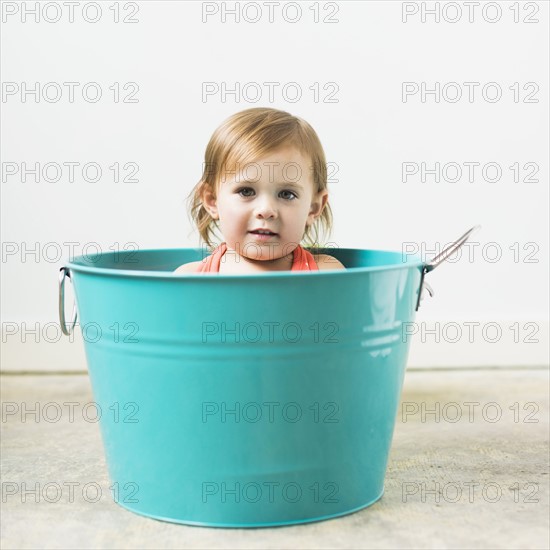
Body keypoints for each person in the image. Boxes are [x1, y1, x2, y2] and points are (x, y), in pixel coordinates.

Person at [174, 107, 345, 274]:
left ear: (313, 208)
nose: (266, 210)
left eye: (287, 194)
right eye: (246, 191)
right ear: (212, 200)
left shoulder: (326, 274)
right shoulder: (190, 277)